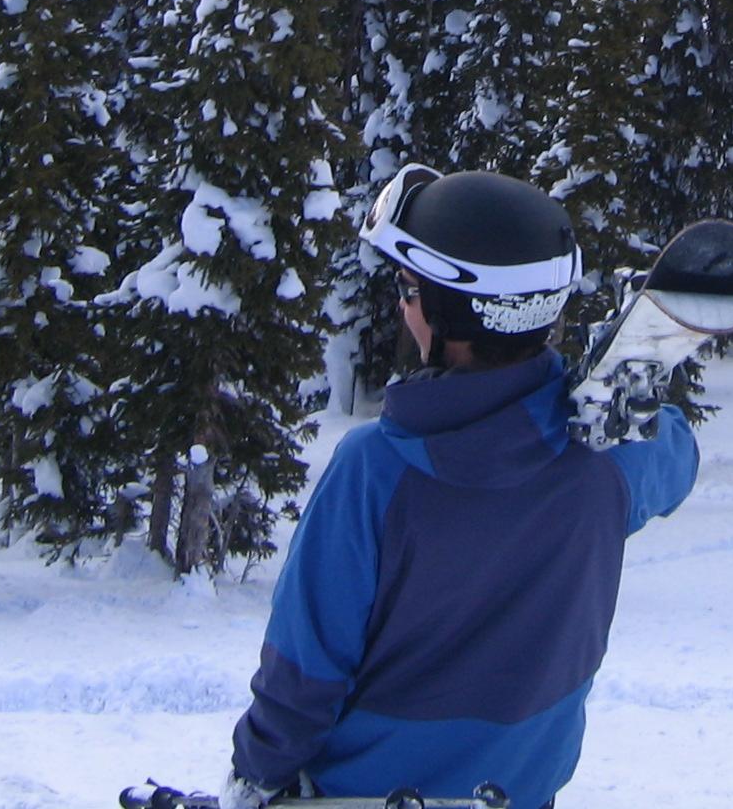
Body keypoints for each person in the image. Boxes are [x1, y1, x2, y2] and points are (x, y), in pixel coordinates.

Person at [218, 166, 699, 809]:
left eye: (410, 289)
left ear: (452, 314)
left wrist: (257, 773)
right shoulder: (608, 458)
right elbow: (680, 460)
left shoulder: (375, 470)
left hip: (360, 796)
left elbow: (304, 673)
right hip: (519, 792)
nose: (401, 303)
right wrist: (623, 395)